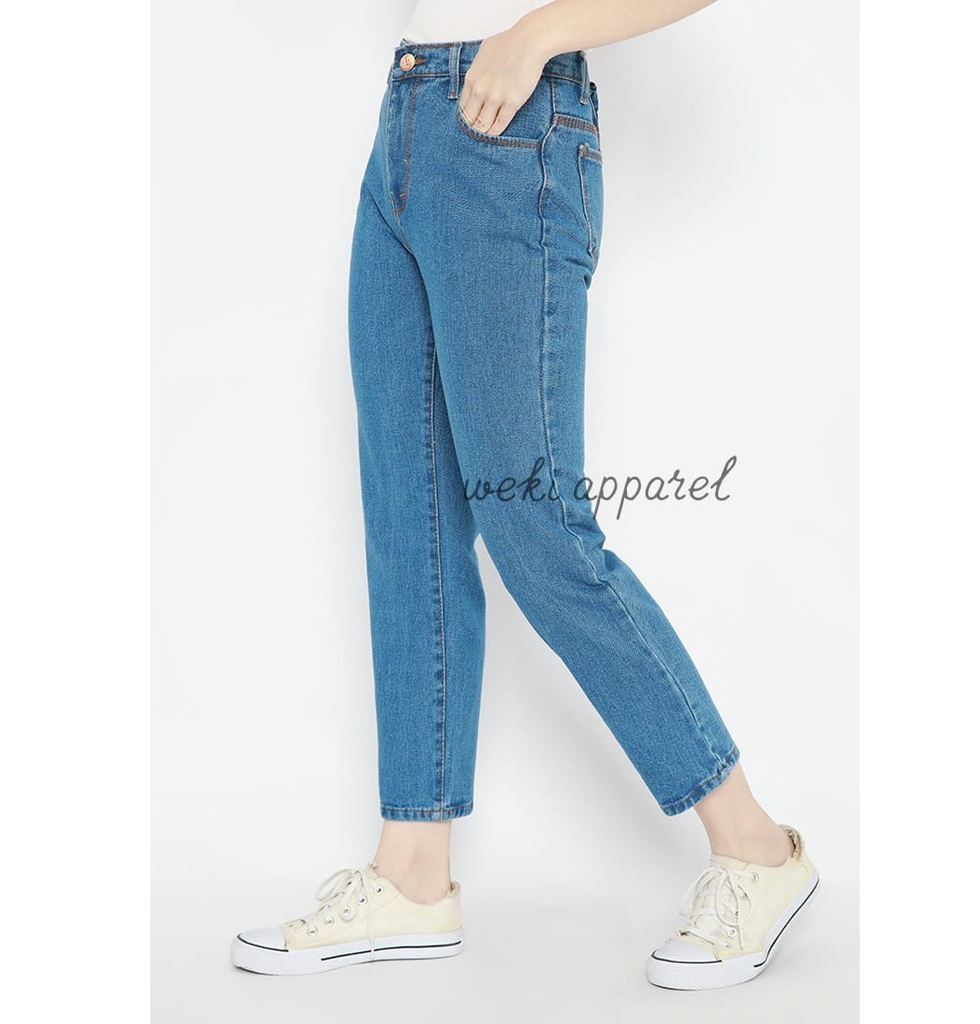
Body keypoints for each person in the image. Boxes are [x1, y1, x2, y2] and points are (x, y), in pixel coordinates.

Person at [231, 0, 819, 991]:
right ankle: (412, 872)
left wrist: (536, 34)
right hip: (405, 123)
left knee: (536, 529)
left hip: (513, 129)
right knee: (410, 522)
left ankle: (756, 847)